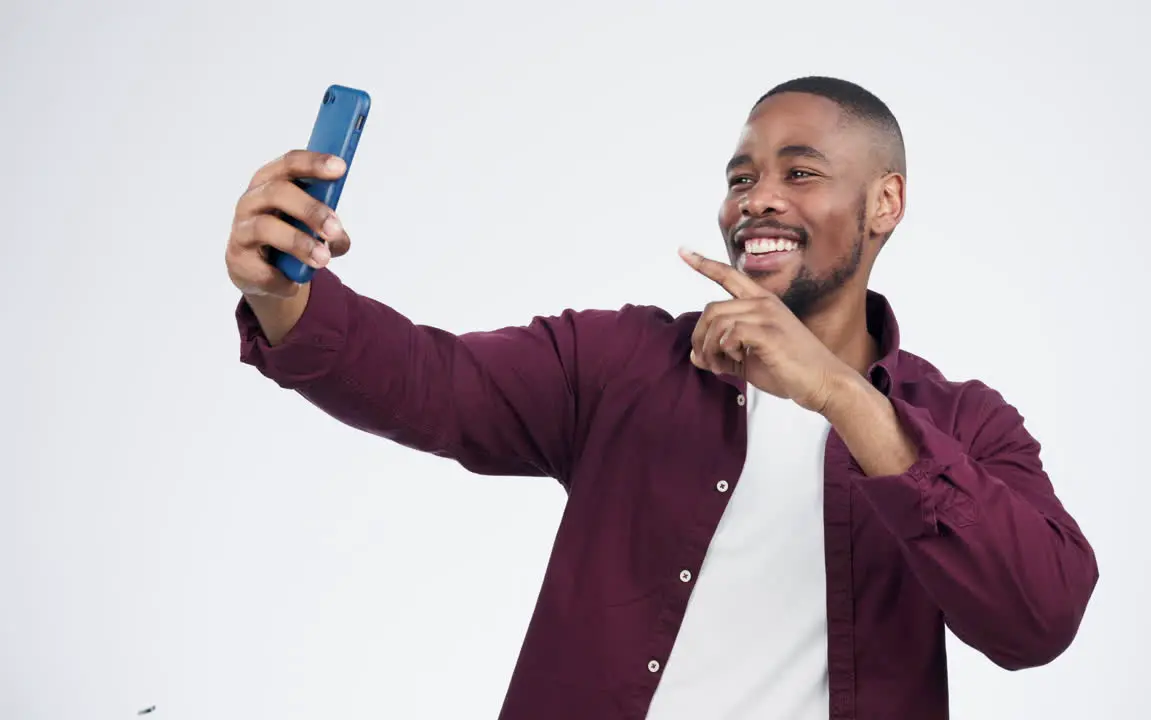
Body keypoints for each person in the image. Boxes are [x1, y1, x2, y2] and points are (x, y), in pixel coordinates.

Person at [224, 76, 1099, 720]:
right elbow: (431, 381)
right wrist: (283, 295)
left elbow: (1038, 619)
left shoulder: (968, 427)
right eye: (741, 175)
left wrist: (840, 395)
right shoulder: (627, 363)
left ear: (885, 201)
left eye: (800, 174)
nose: (757, 199)